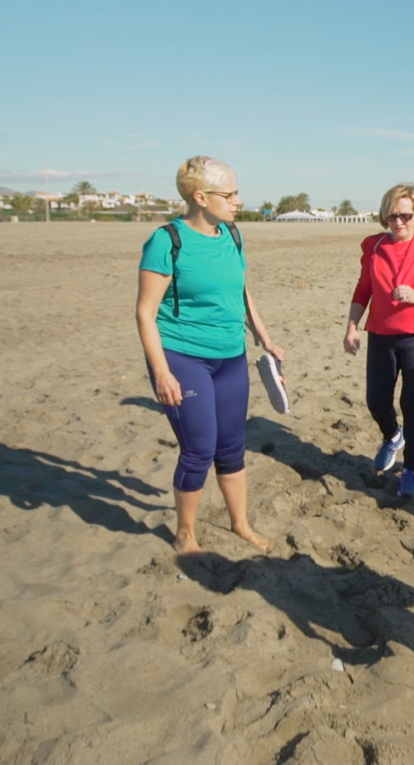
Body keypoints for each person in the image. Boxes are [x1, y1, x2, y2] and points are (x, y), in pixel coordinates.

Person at [135, 156, 283, 555]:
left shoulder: (232, 235)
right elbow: (145, 313)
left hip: (230, 356)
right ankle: (185, 533)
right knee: (199, 448)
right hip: (183, 357)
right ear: (200, 197)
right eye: (229, 193)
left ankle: (241, 525)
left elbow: (241, 291)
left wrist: (264, 338)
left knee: (232, 447)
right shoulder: (167, 241)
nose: (237, 200)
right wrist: (162, 372)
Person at [343, 182, 414, 498]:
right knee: (376, 400)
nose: (399, 222)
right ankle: (393, 436)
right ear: (385, 217)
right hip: (380, 333)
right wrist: (352, 326)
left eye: (405, 215)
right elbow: (363, 290)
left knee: (411, 402)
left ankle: (411, 470)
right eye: (393, 216)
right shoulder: (375, 247)